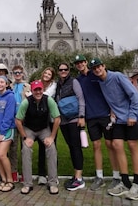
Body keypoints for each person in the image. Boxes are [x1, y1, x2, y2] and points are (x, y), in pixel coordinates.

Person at [90, 58, 138, 200]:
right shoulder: (100, 82)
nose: (97, 69)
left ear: (104, 66)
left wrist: (132, 115)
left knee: (133, 145)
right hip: (119, 119)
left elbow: (134, 95)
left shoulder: (117, 76)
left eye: (99, 66)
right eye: (94, 68)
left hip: (134, 116)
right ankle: (125, 182)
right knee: (116, 145)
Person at [74, 54, 120, 191]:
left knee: (110, 144)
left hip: (105, 114)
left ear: (86, 62)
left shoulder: (96, 75)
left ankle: (116, 176)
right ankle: (99, 177)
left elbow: (110, 91)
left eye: (82, 62)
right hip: (91, 116)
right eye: (77, 63)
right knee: (96, 145)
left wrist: (113, 109)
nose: (80, 65)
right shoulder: (77, 80)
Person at [15, 80, 61, 195]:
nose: (38, 92)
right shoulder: (26, 102)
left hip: (44, 129)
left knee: (51, 148)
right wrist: (25, 137)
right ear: (32, 91)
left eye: (40, 89)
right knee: (26, 149)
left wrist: (52, 136)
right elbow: (18, 120)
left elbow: (57, 118)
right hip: (29, 129)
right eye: (35, 90)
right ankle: (27, 184)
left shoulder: (48, 100)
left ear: (42, 90)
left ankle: (52, 182)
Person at [55, 62, 86, 191]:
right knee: (71, 147)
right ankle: (76, 176)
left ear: (68, 70)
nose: (63, 71)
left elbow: (81, 99)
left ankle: (79, 178)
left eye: (65, 69)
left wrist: (82, 116)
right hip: (63, 121)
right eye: (61, 69)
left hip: (74, 119)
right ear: (58, 71)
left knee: (76, 147)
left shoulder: (74, 82)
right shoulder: (57, 85)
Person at [0, 76, 16, 192]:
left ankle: (10, 180)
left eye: (2, 82)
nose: (0, 84)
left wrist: (3, 132)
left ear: (6, 84)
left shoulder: (10, 97)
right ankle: (3, 179)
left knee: (1, 154)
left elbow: (9, 116)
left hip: (7, 130)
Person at [10, 65, 31, 182]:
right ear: (12, 74)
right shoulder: (10, 87)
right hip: (13, 121)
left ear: (23, 74)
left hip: (24, 122)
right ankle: (13, 172)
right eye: (15, 73)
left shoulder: (28, 86)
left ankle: (25, 173)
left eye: (19, 72)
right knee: (13, 148)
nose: (17, 74)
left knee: (25, 147)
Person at [37, 67, 57, 185]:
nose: (47, 75)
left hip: (51, 120)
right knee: (41, 148)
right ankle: (41, 174)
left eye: (49, 74)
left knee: (52, 147)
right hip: (41, 120)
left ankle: (53, 175)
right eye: (45, 73)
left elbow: (46, 95)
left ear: (52, 76)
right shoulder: (39, 83)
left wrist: (33, 92)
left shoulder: (53, 85)